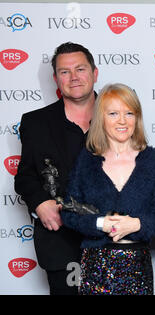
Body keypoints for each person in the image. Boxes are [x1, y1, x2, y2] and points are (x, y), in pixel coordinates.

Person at [61, 83, 155, 295]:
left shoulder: (152, 160)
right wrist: (101, 223)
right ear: (101, 118)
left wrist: (137, 224)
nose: (122, 121)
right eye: (113, 113)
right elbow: (69, 213)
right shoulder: (86, 160)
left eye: (129, 113)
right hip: (95, 266)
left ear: (137, 118)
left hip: (137, 267)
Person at [14, 42, 98, 295]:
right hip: (61, 243)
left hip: (116, 239)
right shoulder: (36, 122)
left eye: (80, 69)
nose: (73, 77)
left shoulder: (120, 114)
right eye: (65, 71)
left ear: (95, 73)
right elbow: (25, 176)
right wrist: (40, 203)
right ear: (55, 78)